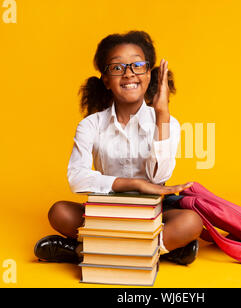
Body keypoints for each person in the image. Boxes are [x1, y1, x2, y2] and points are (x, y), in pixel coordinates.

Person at [34, 31, 203, 266]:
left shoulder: (167, 122)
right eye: (117, 68)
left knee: (191, 222)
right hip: (106, 215)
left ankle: (84, 250)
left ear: (149, 74)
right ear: (105, 79)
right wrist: (133, 183)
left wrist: (162, 114)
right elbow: (77, 178)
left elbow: (160, 176)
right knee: (59, 212)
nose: (129, 73)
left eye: (137, 65)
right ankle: (158, 251)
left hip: (151, 215)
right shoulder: (91, 125)